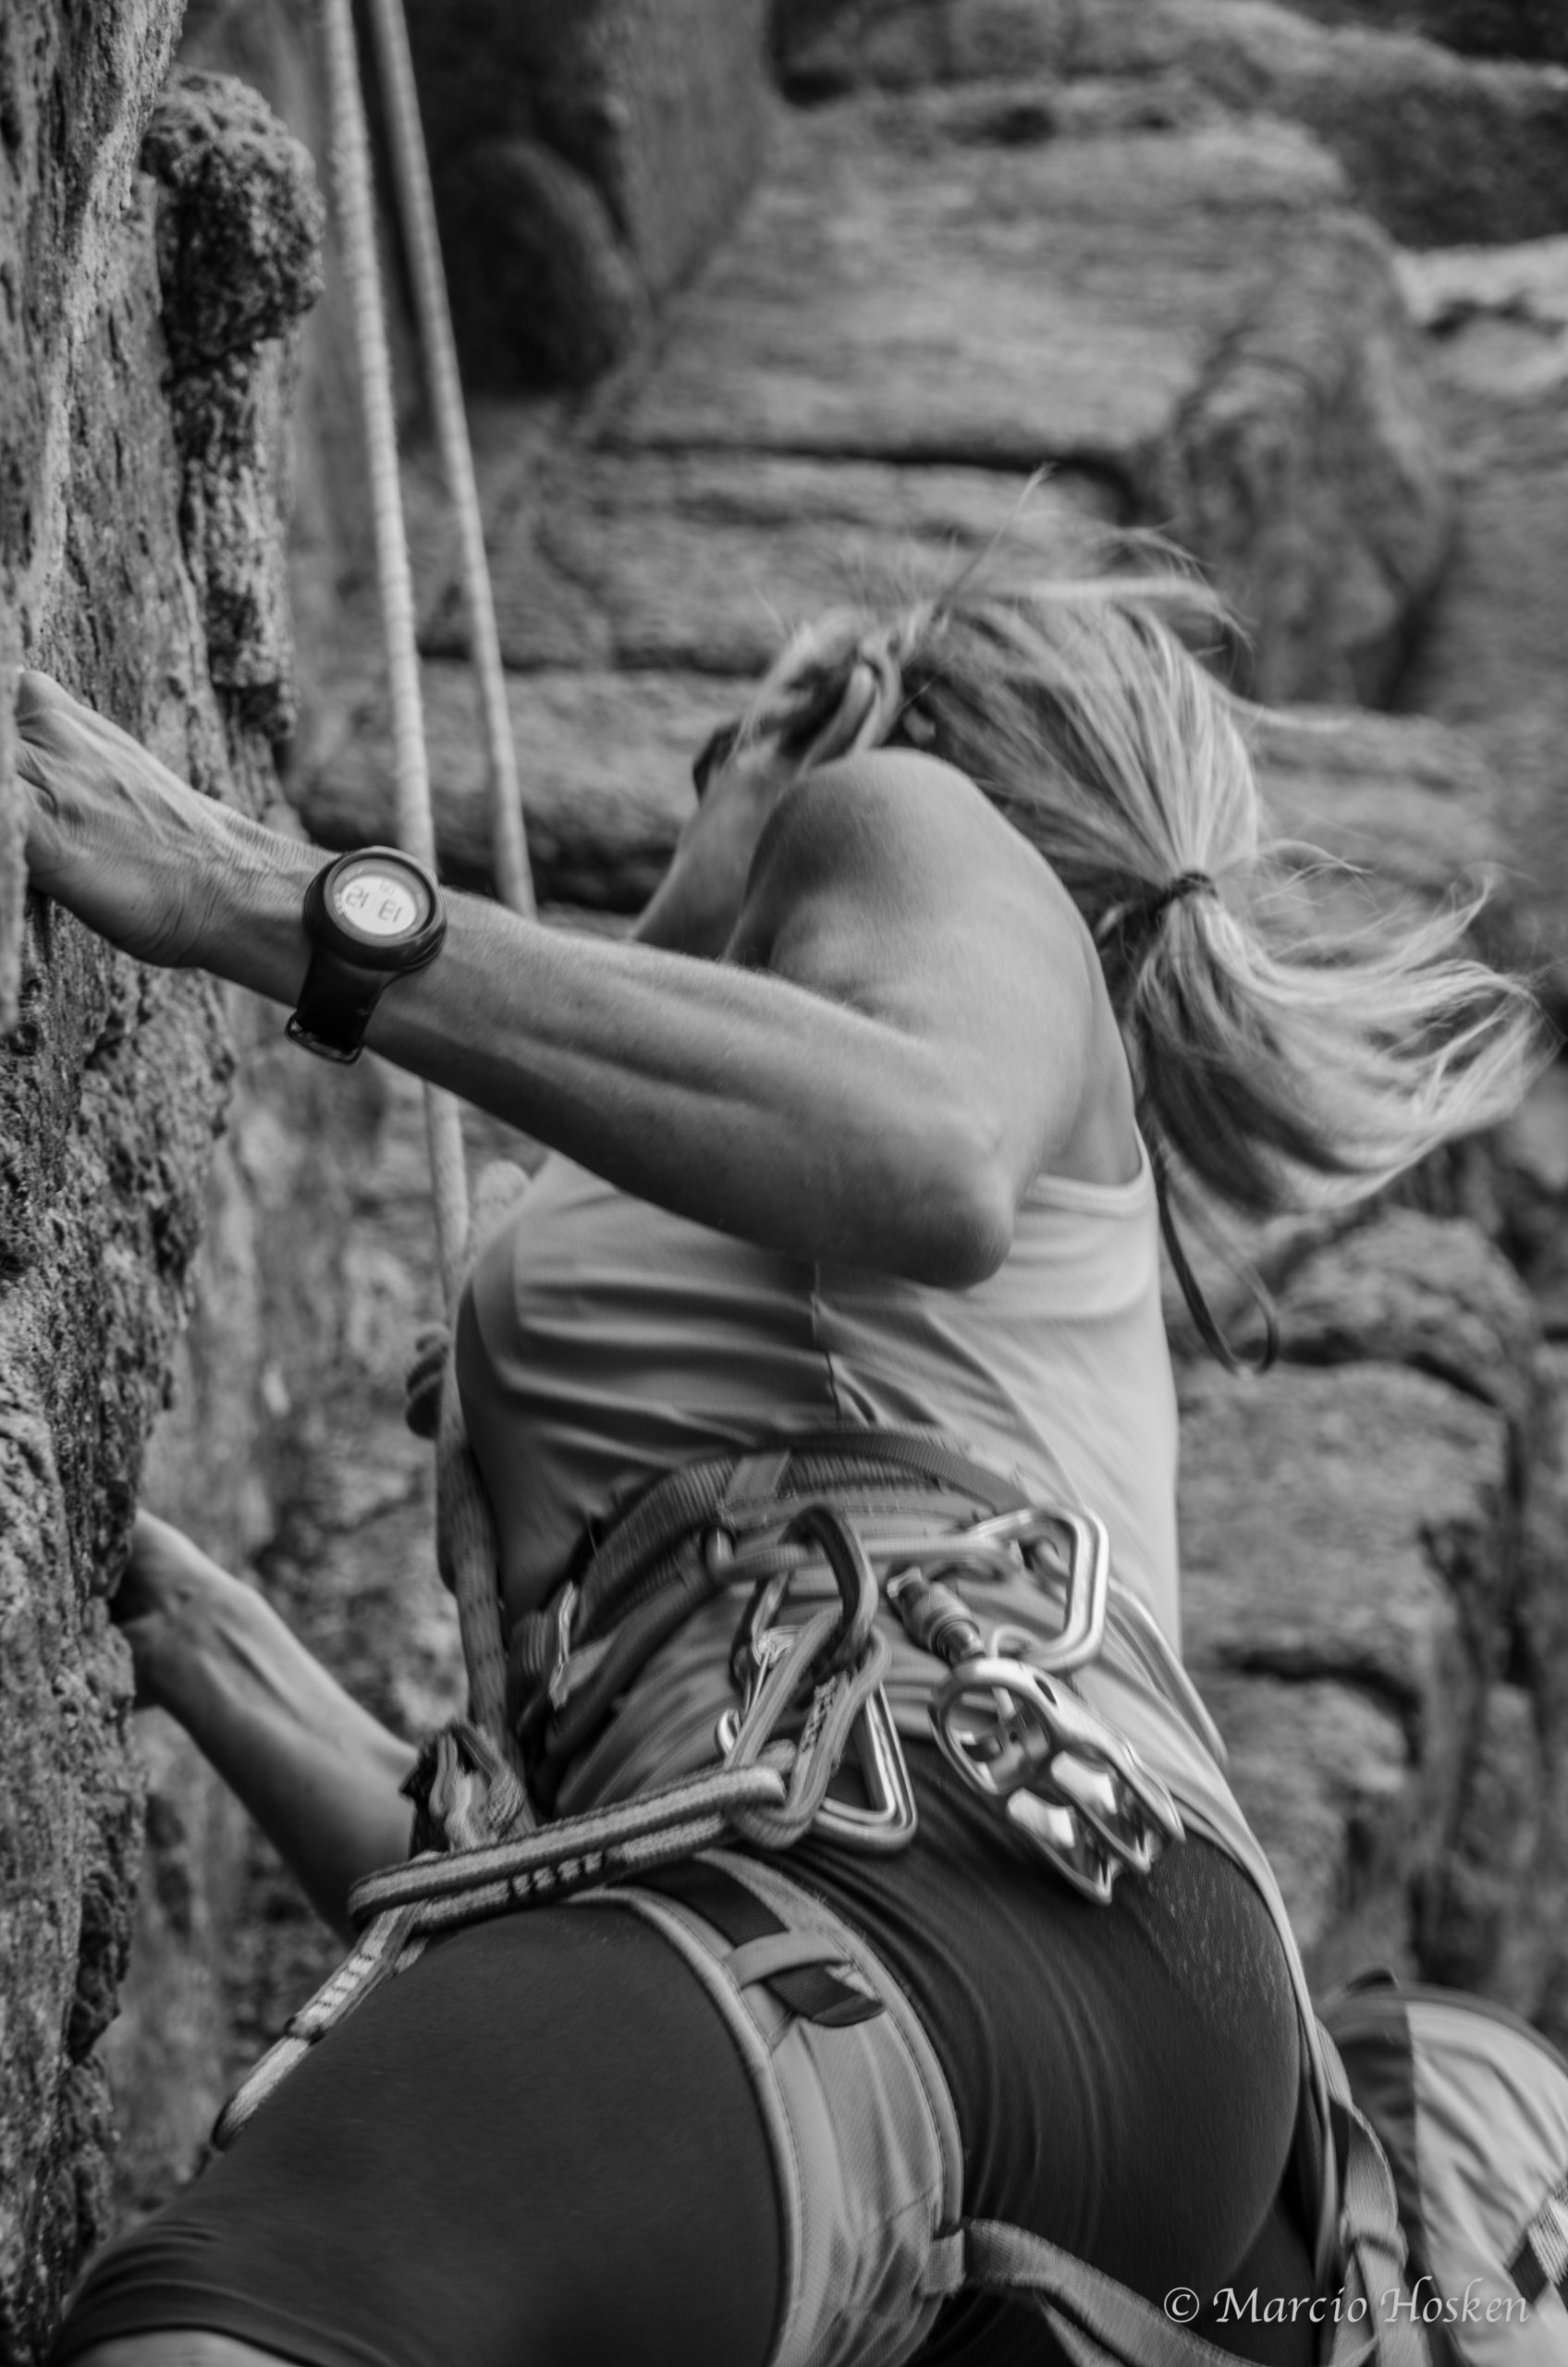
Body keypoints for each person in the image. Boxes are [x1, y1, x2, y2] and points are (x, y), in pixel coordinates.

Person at [22, 572, 1537, 2367]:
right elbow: (585, 1952)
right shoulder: (951, 1311)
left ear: (799, 726)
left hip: (929, 1891)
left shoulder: (898, 807)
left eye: (703, 771)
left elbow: (930, 1152)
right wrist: (197, 1639)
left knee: (224, 2327)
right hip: (1110, 2051)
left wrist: (249, 888)